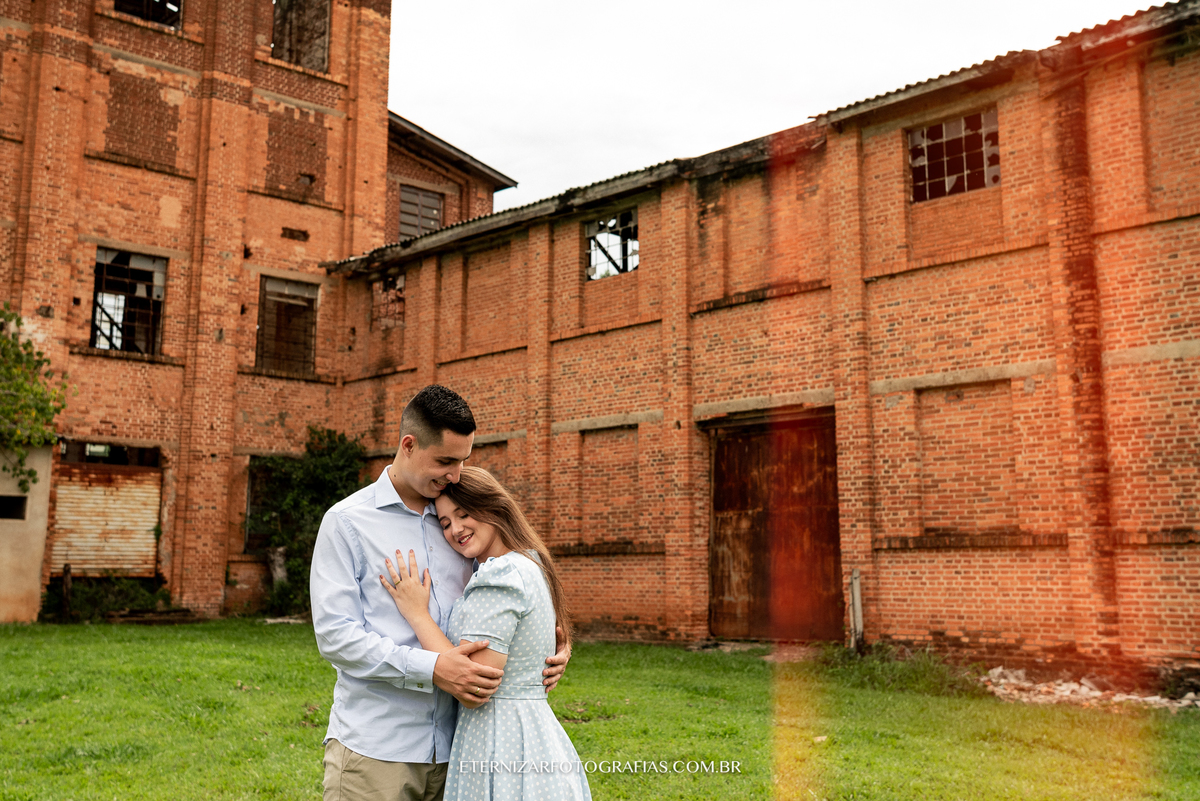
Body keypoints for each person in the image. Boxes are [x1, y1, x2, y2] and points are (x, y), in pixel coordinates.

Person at [310, 385, 571, 801]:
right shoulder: (346, 523)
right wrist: (431, 668)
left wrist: (553, 646)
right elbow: (336, 637)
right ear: (408, 445)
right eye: (446, 461)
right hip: (378, 754)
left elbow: (509, 598)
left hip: (461, 754)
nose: (455, 474)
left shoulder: (463, 519)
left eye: (463, 461)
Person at [380, 466, 591, 801]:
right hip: (530, 735)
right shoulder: (530, 562)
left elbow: (475, 684)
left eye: (464, 514)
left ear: (494, 508)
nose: (456, 529)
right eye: (445, 523)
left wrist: (417, 614)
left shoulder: (500, 574)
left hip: (501, 742)